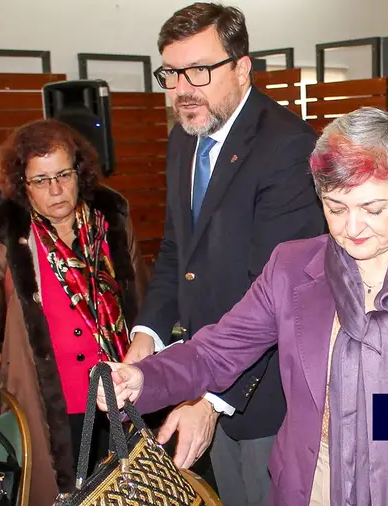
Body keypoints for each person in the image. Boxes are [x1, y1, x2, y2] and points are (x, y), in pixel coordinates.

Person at [100, 107, 388, 506]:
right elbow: (216, 352)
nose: (352, 227)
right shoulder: (291, 267)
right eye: (335, 207)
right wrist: (142, 377)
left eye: (373, 208)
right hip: (313, 489)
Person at [121, 3, 326, 504]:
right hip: (206, 373)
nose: (182, 88)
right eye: (171, 73)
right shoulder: (183, 139)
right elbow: (175, 253)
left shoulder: (287, 147)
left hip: (265, 397)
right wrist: (146, 337)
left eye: (199, 70)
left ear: (241, 67)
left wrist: (211, 400)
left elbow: (279, 297)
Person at [0, 119, 149, 506]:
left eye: (63, 175)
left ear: (79, 173)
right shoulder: (3, 239)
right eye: (40, 180)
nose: (55, 189)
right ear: (23, 184)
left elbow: (143, 305)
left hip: (120, 395)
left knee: (133, 495)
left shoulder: (111, 223)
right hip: (49, 404)